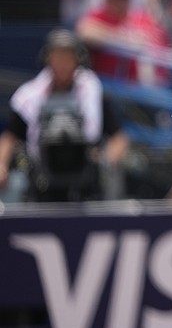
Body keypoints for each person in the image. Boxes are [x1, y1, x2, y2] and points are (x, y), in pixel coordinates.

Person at [0, 29, 129, 202]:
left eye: (68, 57)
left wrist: (106, 159)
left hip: (86, 185)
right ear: (47, 59)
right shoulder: (29, 97)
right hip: (42, 184)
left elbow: (119, 138)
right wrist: (1, 165)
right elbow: (10, 136)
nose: (62, 63)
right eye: (57, 56)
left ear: (78, 60)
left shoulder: (93, 93)